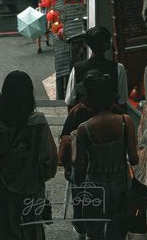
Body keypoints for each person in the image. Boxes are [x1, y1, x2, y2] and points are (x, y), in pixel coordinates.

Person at [0, 70, 58, 240]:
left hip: (2, 184)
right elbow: (49, 160)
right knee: (33, 230)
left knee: (6, 228)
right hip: (32, 186)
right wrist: (39, 177)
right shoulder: (38, 122)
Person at [59, 70, 126, 239]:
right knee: (114, 219)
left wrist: (68, 166)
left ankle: (81, 229)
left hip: (86, 175)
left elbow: (65, 141)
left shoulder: (77, 114)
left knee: (87, 216)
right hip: (115, 171)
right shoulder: (119, 114)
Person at [73, 71, 139, 240]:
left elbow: (79, 167)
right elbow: (134, 159)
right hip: (121, 183)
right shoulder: (126, 121)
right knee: (117, 231)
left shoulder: (84, 128)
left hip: (94, 185)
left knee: (94, 233)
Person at [65, 26, 128, 109]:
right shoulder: (118, 68)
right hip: (110, 119)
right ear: (108, 44)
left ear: (88, 45)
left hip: (84, 119)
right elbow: (122, 101)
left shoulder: (77, 68)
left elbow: (70, 102)